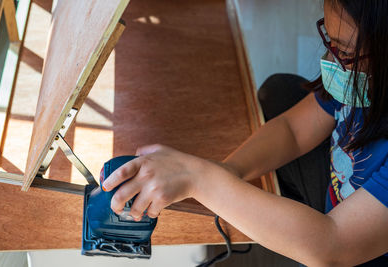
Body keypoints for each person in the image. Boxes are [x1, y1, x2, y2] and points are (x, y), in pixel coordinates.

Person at [102, 0, 388, 265]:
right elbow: (293, 130)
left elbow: (333, 244)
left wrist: (199, 179)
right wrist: (228, 170)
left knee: (312, 244)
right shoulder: (361, 80)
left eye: (345, 52)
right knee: (280, 91)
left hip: (349, 246)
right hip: (339, 197)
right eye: (329, 39)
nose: (330, 58)